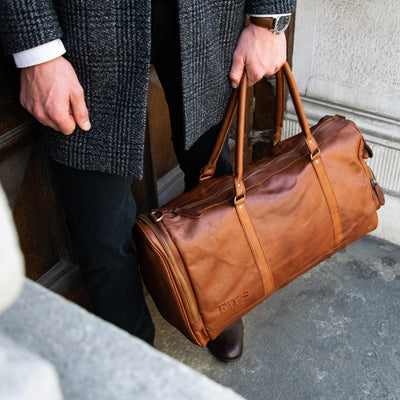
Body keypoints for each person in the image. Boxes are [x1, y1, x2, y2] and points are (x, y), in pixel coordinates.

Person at [0, 0, 295, 362]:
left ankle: (220, 298)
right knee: (100, 224)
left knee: (212, 175)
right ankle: (136, 360)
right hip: (79, 25)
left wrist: (270, 20)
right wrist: (37, 49)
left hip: (206, 13)